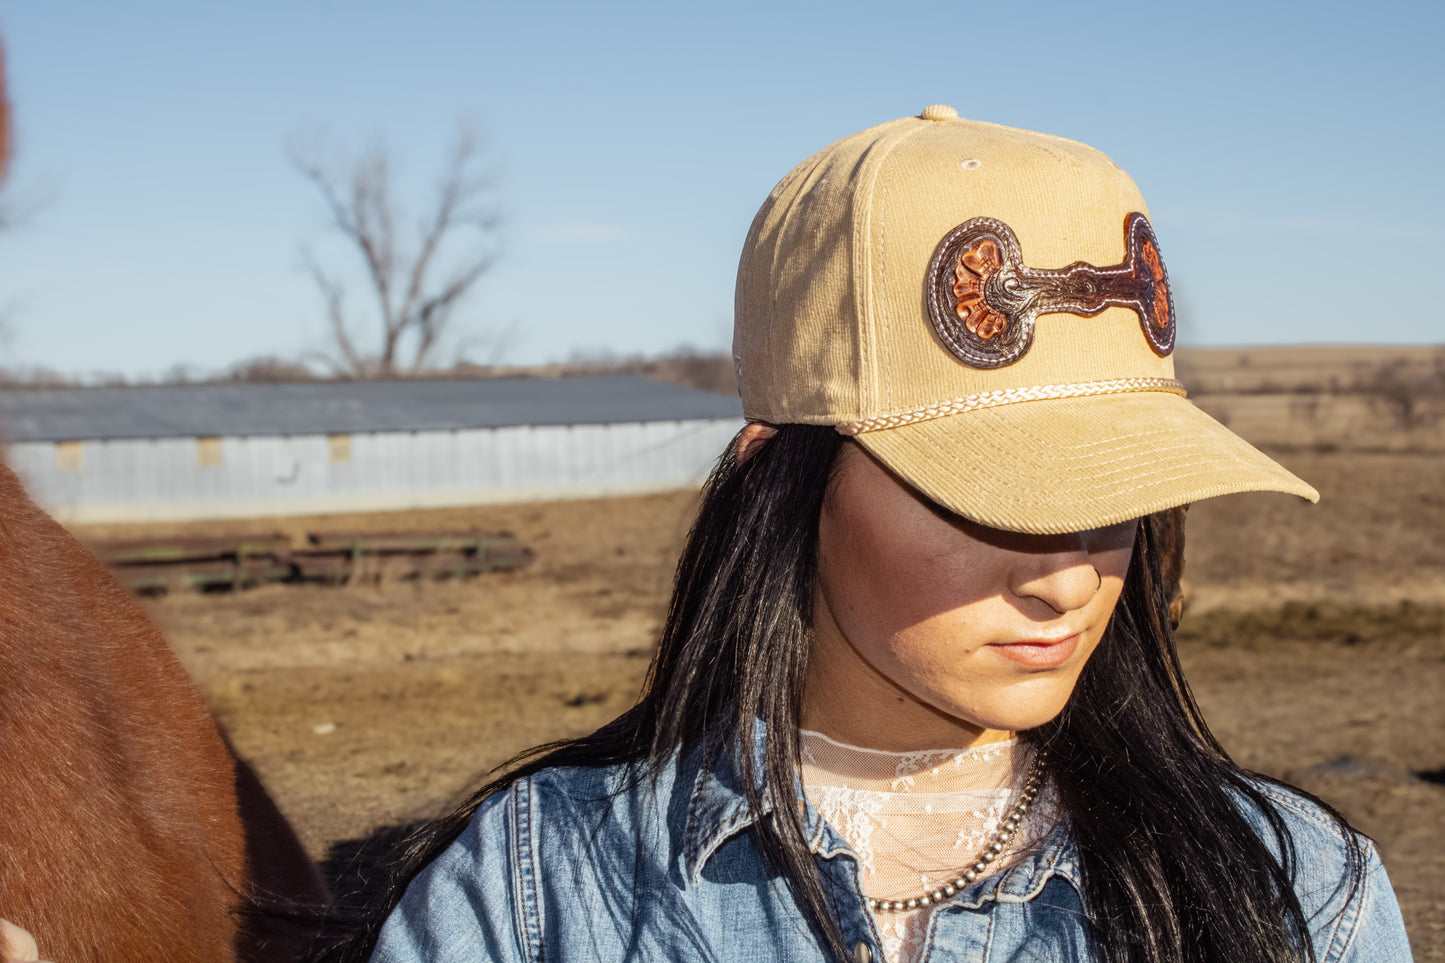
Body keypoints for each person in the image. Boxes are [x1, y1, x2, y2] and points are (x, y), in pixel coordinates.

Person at [345, 107, 1414, 962]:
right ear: (780, 478)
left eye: (1119, 490)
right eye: (987, 494)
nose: (1068, 580)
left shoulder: (1298, 894)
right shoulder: (537, 895)